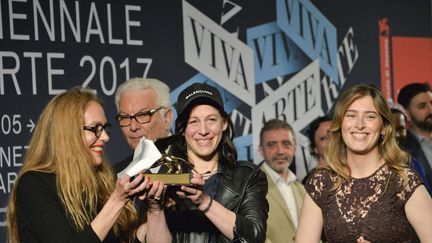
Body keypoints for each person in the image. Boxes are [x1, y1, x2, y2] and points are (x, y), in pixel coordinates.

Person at [6, 87, 153, 243]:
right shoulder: (34, 186)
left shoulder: (101, 182)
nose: (105, 137)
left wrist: (152, 214)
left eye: (104, 128)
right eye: (95, 128)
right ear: (68, 134)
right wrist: (117, 200)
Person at [295, 84, 432, 242]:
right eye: (351, 115)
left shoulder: (403, 181)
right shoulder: (321, 183)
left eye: (370, 116)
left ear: (383, 127)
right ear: (340, 124)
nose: (359, 125)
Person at [143, 82, 269, 243]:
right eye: (193, 121)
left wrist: (204, 202)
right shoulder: (162, 177)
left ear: (223, 123)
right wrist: (155, 210)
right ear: (182, 129)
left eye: (211, 120)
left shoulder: (247, 176)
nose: (203, 131)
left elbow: (255, 237)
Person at [258, 119, 305, 243]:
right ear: (261, 150)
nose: (280, 151)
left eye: (286, 144)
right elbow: (251, 236)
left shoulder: (303, 190)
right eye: (272, 145)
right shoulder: (251, 187)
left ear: (294, 148)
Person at [114, 77, 173, 173]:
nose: (133, 127)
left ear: (167, 117)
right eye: (125, 117)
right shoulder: (114, 177)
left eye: (142, 115)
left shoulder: (194, 163)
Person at [388, 100, 432, 194]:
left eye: (401, 129)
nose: (396, 135)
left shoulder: (413, 163)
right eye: (390, 129)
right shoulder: (368, 163)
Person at [397, 82, 432, 193]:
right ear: (407, 114)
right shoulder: (401, 148)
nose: (430, 110)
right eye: (422, 106)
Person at [302, 116, 332, 184]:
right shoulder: (311, 182)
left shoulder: (354, 174)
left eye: (334, 136)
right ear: (315, 147)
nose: (330, 141)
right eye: (323, 138)